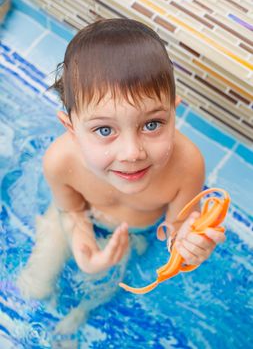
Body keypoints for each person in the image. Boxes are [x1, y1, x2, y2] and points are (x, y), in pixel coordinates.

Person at [17, 18, 225, 332]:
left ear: (173, 112)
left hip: (136, 234)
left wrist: (189, 250)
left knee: (109, 281)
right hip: (77, 216)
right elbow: (70, 209)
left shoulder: (186, 166)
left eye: (152, 124)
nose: (132, 152)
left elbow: (177, 230)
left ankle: (78, 318)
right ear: (71, 129)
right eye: (104, 130)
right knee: (35, 285)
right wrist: (83, 245)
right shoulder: (60, 160)